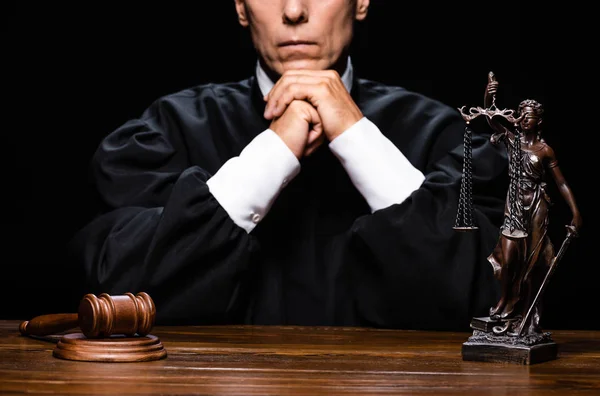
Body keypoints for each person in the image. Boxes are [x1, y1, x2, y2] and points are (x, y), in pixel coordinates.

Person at [67, 0, 508, 330]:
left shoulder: (445, 135)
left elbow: (489, 299)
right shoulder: (169, 129)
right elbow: (118, 292)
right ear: (241, 8)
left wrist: (356, 138)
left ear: (361, 2)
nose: (294, 10)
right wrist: (275, 151)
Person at [484, 74, 582, 335]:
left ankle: (529, 315)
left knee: (531, 264)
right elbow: (491, 119)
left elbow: (561, 184)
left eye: (528, 115)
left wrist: (576, 213)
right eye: (521, 114)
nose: (523, 118)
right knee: (507, 260)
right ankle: (505, 303)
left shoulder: (544, 150)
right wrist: (488, 93)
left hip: (537, 207)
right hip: (514, 207)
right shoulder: (511, 140)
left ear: (538, 121)